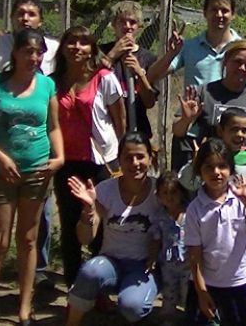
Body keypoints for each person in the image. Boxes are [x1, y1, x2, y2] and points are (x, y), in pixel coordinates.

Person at [0, 28, 64, 326]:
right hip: (3, 174)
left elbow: (52, 127)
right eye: (28, 51)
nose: (34, 57)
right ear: (15, 52)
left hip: (37, 172)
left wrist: (59, 157)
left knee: (28, 240)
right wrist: (0, 156)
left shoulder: (47, 86)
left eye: (39, 52)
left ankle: (24, 308)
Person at [52, 26, 126, 287]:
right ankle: (73, 284)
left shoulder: (104, 78)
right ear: (62, 48)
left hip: (101, 161)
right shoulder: (53, 82)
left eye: (84, 43)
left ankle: (100, 285)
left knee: (101, 225)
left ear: (92, 50)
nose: (77, 48)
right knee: (70, 223)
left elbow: (120, 122)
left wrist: (123, 158)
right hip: (66, 161)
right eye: (71, 42)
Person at [65, 132, 162, 325]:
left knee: (131, 306)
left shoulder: (160, 192)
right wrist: (89, 210)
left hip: (144, 266)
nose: (135, 163)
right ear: (119, 161)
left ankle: (137, 306)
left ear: (150, 158)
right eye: (128, 158)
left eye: (140, 156)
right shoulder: (105, 190)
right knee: (90, 271)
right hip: (111, 263)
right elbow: (85, 238)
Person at [185, 139, 246, 326]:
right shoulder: (195, 209)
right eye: (209, 167)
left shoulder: (242, 197)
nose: (216, 172)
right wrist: (201, 291)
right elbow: (194, 256)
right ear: (200, 171)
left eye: (222, 166)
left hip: (239, 282)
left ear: (231, 169)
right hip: (207, 284)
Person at [173, 40, 246, 171]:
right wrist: (186, 119)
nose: (242, 68)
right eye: (237, 62)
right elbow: (178, 131)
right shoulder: (204, 92)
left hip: (244, 175)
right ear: (226, 61)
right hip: (211, 173)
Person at [147, 0, 246, 89]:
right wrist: (170, 54)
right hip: (196, 113)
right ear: (204, 13)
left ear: (233, 14)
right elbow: (152, 76)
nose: (219, 15)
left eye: (224, 10)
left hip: (232, 114)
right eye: (214, 10)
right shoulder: (188, 47)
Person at [178, 107, 246, 211]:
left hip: (240, 222)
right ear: (220, 130)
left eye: (244, 130)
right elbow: (188, 183)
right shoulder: (209, 158)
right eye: (234, 129)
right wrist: (196, 161)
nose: (240, 134)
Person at [99, 1, 158, 136]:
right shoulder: (101, 52)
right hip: (107, 128)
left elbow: (149, 102)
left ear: (139, 26)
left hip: (138, 129)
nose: (127, 27)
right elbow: (89, 81)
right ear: (113, 24)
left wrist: (139, 73)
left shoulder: (148, 58)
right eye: (122, 22)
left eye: (132, 22)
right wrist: (112, 55)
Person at [0, 0, 60, 75]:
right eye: (20, 13)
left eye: (31, 14)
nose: (25, 18)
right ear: (12, 18)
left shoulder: (53, 49)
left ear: (40, 21)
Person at [150, 171, 190, 325]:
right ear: (159, 196)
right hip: (168, 264)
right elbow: (155, 238)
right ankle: (169, 318)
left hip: (187, 263)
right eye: (165, 193)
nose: (169, 196)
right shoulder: (159, 216)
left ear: (181, 193)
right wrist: (152, 258)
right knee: (169, 292)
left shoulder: (189, 213)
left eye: (173, 192)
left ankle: (190, 316)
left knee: (188, 292)